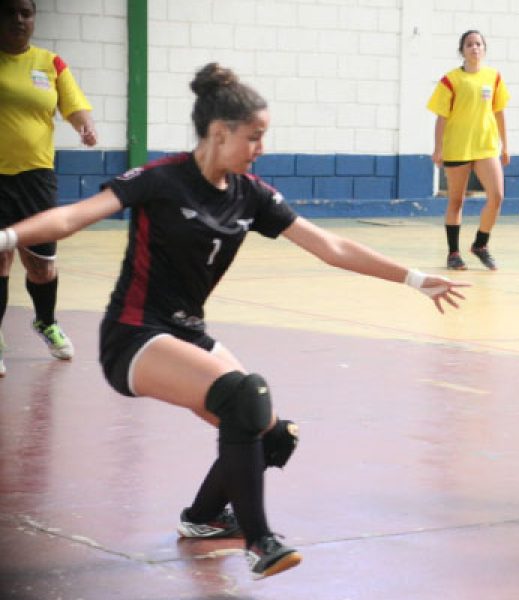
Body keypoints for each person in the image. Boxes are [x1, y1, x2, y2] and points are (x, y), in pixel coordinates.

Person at [0, 63, 468, 578]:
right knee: (245, 395)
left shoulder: (251, 194)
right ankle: (260, 540)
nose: (261, 148)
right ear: (220, 133)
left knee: (271, 434)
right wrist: (8, 238)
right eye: (255, 137)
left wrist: (416, 279)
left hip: (187, 332)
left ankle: (202, 519)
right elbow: (74, 216)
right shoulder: (161, 179)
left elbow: (330, 246)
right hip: (134, 335)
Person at [0, 0, 97, 377]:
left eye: (25, 12)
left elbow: (74, 106)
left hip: (36, 177)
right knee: (1, 258)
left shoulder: (50, 63)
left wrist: (84, 126)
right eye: (9, 12)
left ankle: (45, 321)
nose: (18, 20)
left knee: (41, 265)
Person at [428, 29, 509, 271]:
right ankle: (453, 253)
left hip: (486, 147)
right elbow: (441, 117)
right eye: (469, 44)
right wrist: (438, 147)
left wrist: (506, 145)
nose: (474, 48)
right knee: (456, 200)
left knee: (497, 197)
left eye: (478, 44)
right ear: (462, 50)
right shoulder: (451, 80)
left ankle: (480, 245)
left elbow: (499, 111)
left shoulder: (493, 77)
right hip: (457, 147)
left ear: (484, 49)